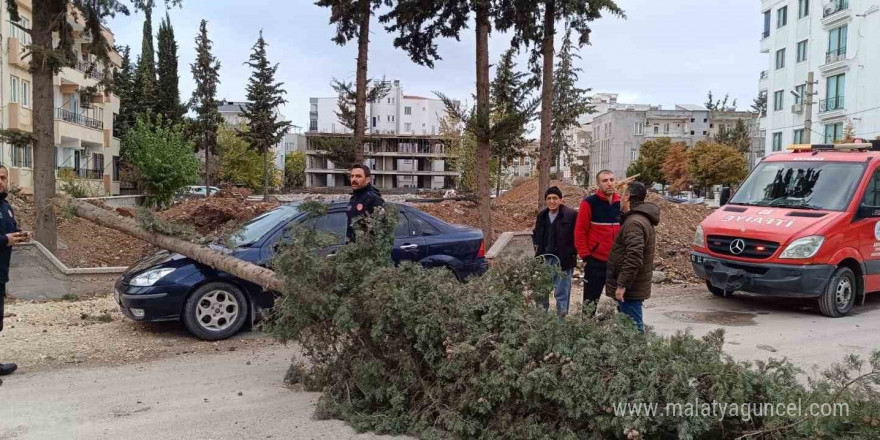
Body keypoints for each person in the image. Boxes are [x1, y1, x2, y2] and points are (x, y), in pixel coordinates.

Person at [605, 182, 660, 333]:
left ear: (628, 197)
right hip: (632, 286)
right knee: (628, 329)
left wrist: (622, 285)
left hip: (630, 289)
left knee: (633, 331)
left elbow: (634, 257)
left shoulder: (634, 223)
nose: (620, 199)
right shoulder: (639, 219)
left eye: (623, 195)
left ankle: (638, 357)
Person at [574, 170, 621, 315]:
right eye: (605, 180)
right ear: (598, 184)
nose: (609, 183)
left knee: (623, 302)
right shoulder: (589, 203)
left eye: (612, 179)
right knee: (590, 304)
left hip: (617, 262)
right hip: (596, 261)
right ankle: (586, 333)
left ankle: (624, 335)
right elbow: (580, 231)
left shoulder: (621, 202)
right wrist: (586, 256)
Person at [532, 186, 578, 316]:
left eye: (555, 198)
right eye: (549, 198)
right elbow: (536, 233)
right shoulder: (542, 216)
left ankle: (561, 321)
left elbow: (577, 235)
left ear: (561, 200)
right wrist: (537, 247)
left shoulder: (571, 215)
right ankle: (541, 317)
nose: (552, 201)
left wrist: (573, 253)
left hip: (563, 261)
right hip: (545, 260)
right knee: (541, 291)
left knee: (562, 293)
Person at [0, 165, 28, 376]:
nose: (1, 181)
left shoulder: (5, 206)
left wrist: (20, 235)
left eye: (3, 178)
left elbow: (11, 230)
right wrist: (5, 240)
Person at [346, 164, 385, 243]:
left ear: (367, 180)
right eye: (352, 176)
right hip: (353, 248)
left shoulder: (373, 199)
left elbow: (381, 228)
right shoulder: (353, 199)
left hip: (367, 251)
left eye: (358, 176)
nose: (354, 179)